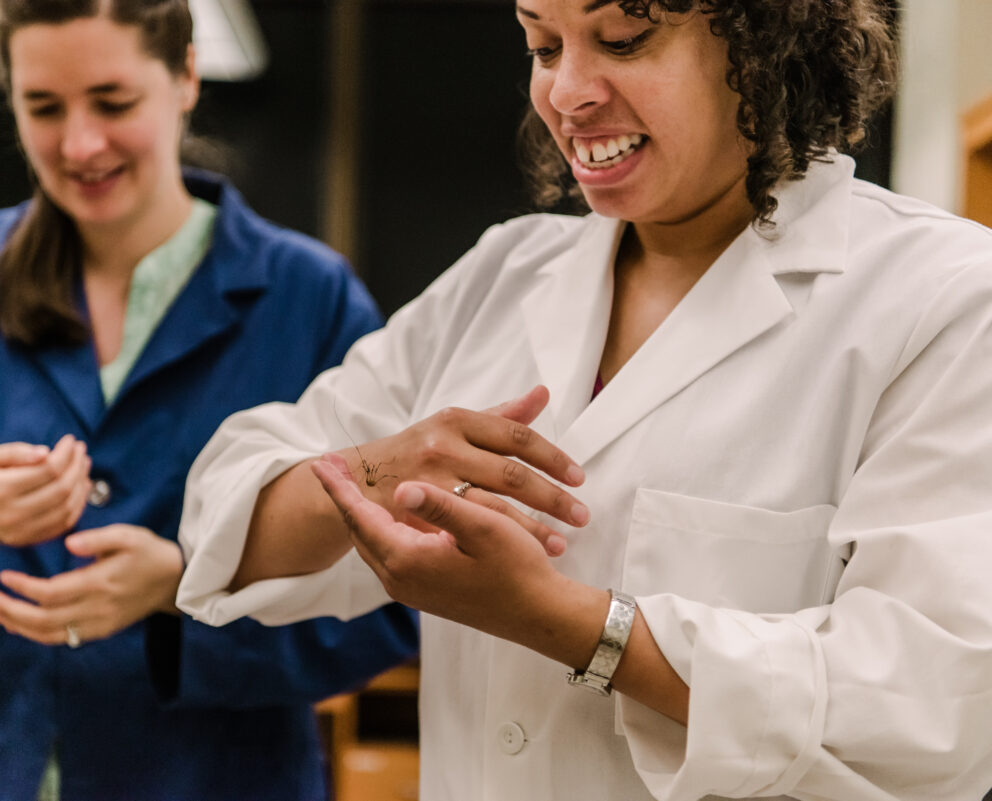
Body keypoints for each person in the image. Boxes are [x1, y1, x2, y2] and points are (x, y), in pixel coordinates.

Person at [174, 1, 992, 799]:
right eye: (543, 46)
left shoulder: (942, 297)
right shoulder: (503, 274)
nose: (567, 92)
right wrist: (380, 468)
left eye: (623, 40)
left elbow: (934, 705)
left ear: (768, 37)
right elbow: (225, 509)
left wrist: (561, 619)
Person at [0, 1, 417, 799]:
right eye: (42, 108)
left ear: (186, 76)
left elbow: (391, 602)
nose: (80, 144)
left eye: (113, 102)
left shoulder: (309, 299)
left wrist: (182, 584)